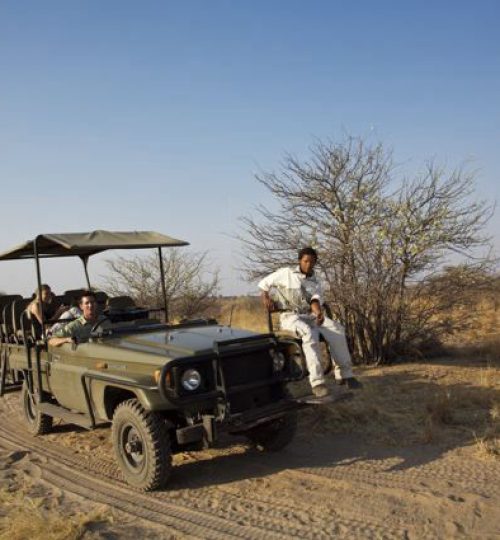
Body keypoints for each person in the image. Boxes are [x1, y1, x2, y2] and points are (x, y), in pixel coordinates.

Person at [258, 247, 362, 398]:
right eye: (306, 261)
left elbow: (315, 300)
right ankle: (317, 382)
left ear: (315, 263)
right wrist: (266, 298)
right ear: (300, 261)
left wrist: (318, 313)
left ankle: (345, 375)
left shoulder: (316, 281)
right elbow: (263, 284)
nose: (308, 264)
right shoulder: (286, 273)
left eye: (312, 262)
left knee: (337, 329)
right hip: (289, 317)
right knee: (309, 332)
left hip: (310, 315)